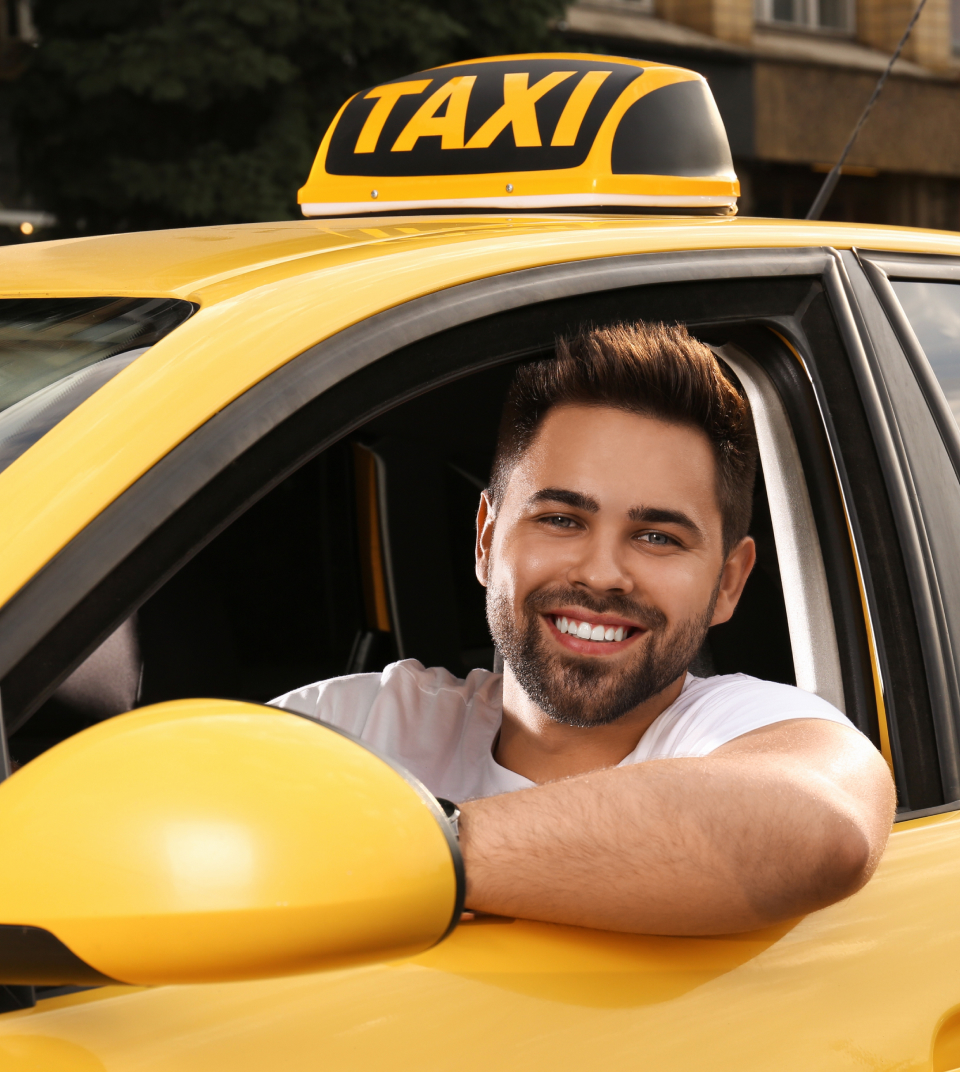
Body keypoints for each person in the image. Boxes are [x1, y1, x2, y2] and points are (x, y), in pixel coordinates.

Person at [273, 321, 895, 935]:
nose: (602, 575)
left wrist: (405, 852)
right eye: (563, 520)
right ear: (488, 539)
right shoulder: (352, 727)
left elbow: (825, 828)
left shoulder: (745, 727)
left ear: (728, 582)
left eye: (657, 536)